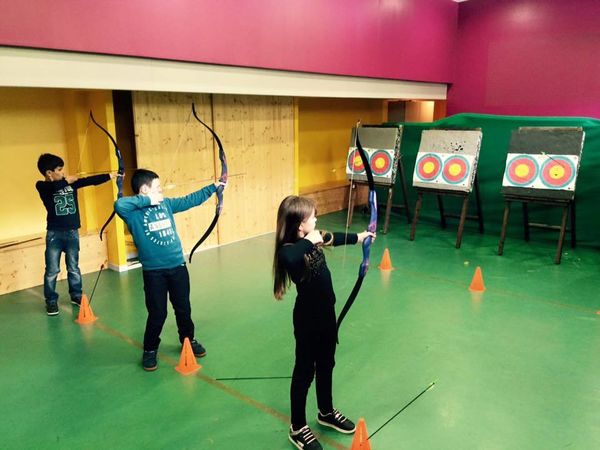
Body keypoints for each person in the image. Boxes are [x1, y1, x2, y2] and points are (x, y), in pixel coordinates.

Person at [273, 195, 375, 450]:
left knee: (327, 363)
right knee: (304, 372)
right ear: (299, 225)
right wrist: (309, 240)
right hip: (307, 319)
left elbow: (333, 238)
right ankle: (297, 427)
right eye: (312, 217)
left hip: (327, 314)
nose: (317, 219)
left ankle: (325, 411)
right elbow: (289, 258)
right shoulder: (290, 249)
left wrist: (360, 237)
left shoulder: (313, 239)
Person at [114, 169, 225, 371]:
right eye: (157, 187)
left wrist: (213, 188)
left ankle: (188, 340)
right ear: (144, 189)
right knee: (157, 313)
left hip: (177, 266)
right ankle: (149, 349)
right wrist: (148, 201)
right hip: (154, 272)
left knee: (183, 307)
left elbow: (190, 200)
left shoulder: (166, 204)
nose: (161, 191)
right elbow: (118, 204)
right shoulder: (132, 212)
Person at [36, 153, 117, 316]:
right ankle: (51, 301)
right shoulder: (42, 186)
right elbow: (53, 188)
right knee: (52, 270)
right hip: (54, 234)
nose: (63, 172)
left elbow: (89, 181)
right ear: (49, 173)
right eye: (59, 169)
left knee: (73, 267)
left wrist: (110, 175)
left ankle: (76, 295)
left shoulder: (69, 183)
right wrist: (66, 181)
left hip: (72, 232)